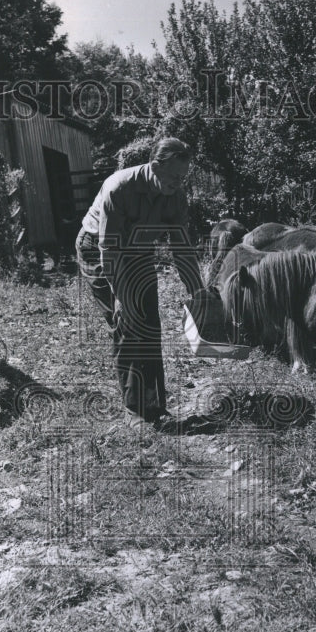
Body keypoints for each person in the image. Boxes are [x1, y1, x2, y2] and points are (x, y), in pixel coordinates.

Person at [75, 137, 205, 431]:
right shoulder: (118, 188)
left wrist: (198, 290)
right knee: (128, 324)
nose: (178, 183)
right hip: (98, 249)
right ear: (155, 166)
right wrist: (120, 295)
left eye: (183, 178)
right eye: (174, 177)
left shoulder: (175, 196)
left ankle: (155, 405)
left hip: (136, 251)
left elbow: (181, 247)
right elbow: (109, 249)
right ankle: (133, 410)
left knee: (150, 323)